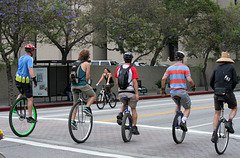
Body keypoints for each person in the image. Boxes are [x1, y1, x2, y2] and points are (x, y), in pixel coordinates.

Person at [161, 51, 196, 132]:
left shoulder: (169, 68)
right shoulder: (185, 67)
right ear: (183, 59)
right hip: (182, 91)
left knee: (178, 104)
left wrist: (163, 89)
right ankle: (183, 121)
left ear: (175, 59)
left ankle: (176, 122)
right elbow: (189, 80)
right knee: (187, 108)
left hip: (173, 92)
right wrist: (193, 86)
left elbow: (163, 79)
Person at [210, 52, 238, 143]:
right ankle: (229, 122)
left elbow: (211, 81)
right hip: (228, 92)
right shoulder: (231, 67)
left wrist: (216, 90)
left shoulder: (216, 68)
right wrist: (230, 89)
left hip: (217, 92)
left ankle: (214, 134)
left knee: (217, 114)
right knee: (234, 107)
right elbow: (235, 81)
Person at [114, 52, 140, 135]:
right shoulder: (132, 69)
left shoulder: (118, 68)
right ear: (131, 60)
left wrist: (121, 89)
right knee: (133, 109)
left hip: (121, 92)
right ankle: (134, 127)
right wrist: (137, 94)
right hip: (130, 92)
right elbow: (135, 81)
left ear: (124, 59)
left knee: (124, 103)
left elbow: (117, 81)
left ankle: (120, 114)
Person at [70, 49, 96, 129]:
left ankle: (72, 121)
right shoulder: (86, 64)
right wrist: (87, 83)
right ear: (87, 56)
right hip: (82, 85)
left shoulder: (74, 63)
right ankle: (87, 107)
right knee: (93, 95)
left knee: (75, 104)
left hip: (73, 86)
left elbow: (70, 76)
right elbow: (87, 76)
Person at [15, 44, 37, 123]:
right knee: (30, 99)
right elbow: (30, 69)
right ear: (31, 51)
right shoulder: (30, 58)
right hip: (25, 81)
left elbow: (19, 68)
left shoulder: (21, 57)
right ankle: (30, 117)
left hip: (17, 79)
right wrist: (34, 79)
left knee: (22, 93)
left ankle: (14, 107)